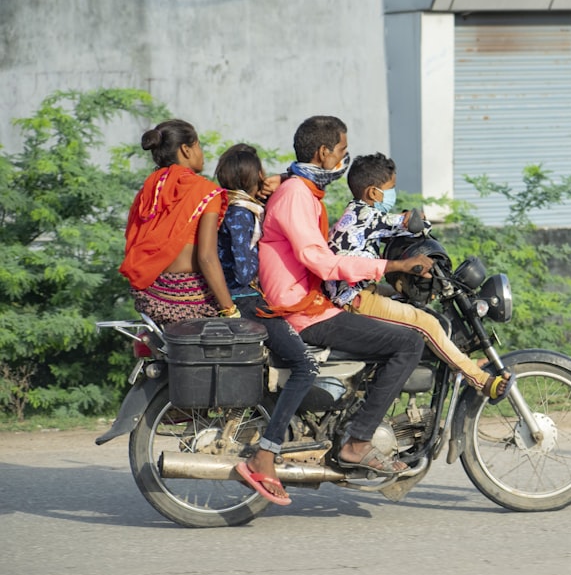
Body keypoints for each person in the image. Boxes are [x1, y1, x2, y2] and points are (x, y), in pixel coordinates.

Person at [258, 116, 434, 476]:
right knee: (409, 344)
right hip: (303, 310)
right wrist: (393, 267)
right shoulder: (295, 195)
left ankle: (353, 419)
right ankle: (358, 442)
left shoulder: (300, 190)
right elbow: (320, 262)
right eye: (341, 150)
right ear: (324, 153)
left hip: (310, 302)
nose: (344, 158)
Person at [327, 152, 511, 402]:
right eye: (390, 189)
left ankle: (459, 359)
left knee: (411, 304)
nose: (391, 194)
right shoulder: (366, 215)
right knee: (426, 323)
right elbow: (409, 223)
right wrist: (418, 222)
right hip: (354, 298)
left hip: (354, 291)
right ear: (372, 192)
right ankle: (480, 380)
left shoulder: (355, 214)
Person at [215, 143, 315, 505]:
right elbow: (243, 269)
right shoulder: (241, 213)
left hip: (245, 298)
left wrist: (283, 180)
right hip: (245, 300)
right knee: (305, 365)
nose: (264, 176)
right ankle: (267, 453)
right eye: (260, 171)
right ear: (250, 176)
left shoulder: (235, 205)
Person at [120, 119, 238, 325]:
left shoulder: (148, 190)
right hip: (189, 302)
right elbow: (207, 258)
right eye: (198, 145)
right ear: (186, 150)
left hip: (151, 299)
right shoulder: (205, 191)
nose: (202, 153)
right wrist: (230, 311)